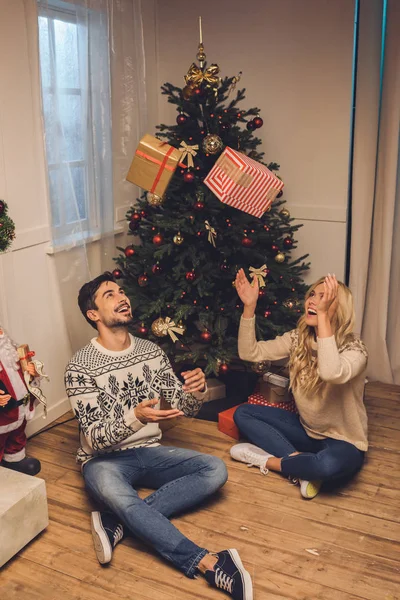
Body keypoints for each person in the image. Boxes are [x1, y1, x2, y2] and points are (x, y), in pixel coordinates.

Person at [65, 272, 253, 600]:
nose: (122, 297)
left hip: (150, 450)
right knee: (120, 495)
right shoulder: (80, 366)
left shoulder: (150, 351)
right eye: (109, 295)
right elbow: (94, 438)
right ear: (93, 315)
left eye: (122, 291)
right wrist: (135, 416)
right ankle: (210, 562)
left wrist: (196, 392)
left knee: (215, 469)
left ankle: (118, 522)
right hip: (103, 461)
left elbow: (183, 408)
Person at [231, 271, 368, 500]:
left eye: (323, 297)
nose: (313, 301)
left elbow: (331, 372)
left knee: (327, 467)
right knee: (243, 413)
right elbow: (249, 352)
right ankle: (301, 466)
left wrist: (322, 317)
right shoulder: (297, 339)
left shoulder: (355, 349)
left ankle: (269, 461)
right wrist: (249, 307)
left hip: (344, 440)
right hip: (306, 432)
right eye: (312, 294)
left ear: (338, 309)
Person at [0, 326, 42, 475]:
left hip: (19, 407)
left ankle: (14, 459)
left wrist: (32, 373)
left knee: (17, 435)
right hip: (3, 415)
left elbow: (22, 372)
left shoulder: (11, 351)